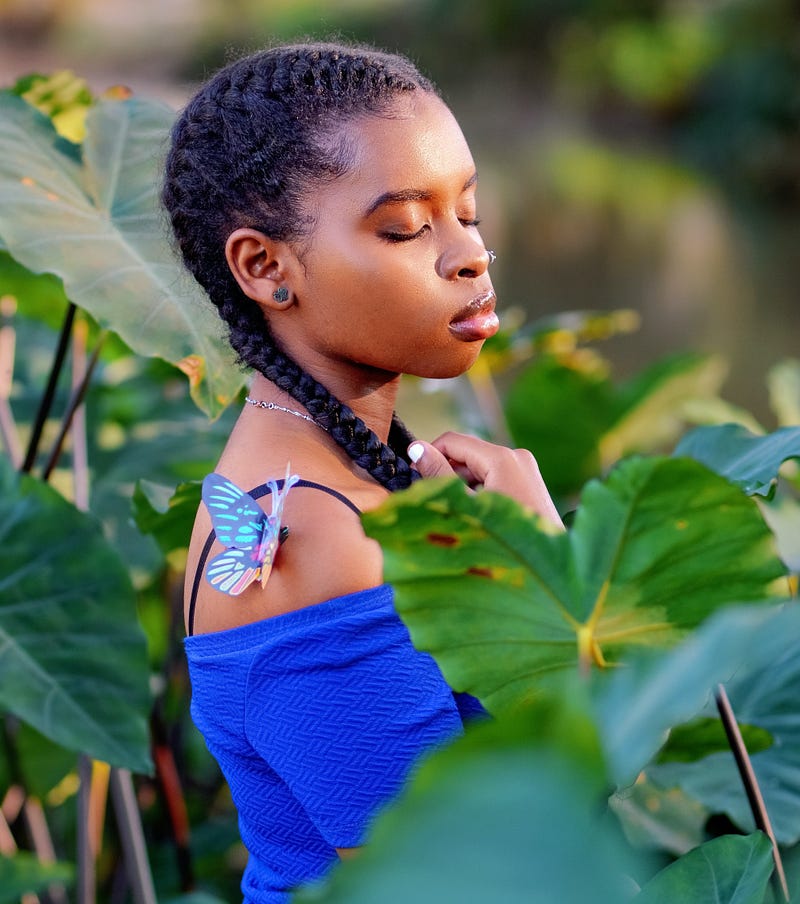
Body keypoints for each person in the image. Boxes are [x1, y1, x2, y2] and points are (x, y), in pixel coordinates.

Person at [162, 41, 562, 903]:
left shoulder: (349, 482)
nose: (470, 256)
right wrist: (547, 575)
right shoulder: (314, 535)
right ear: (266, 267)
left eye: (470, 212)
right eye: (409, 229)